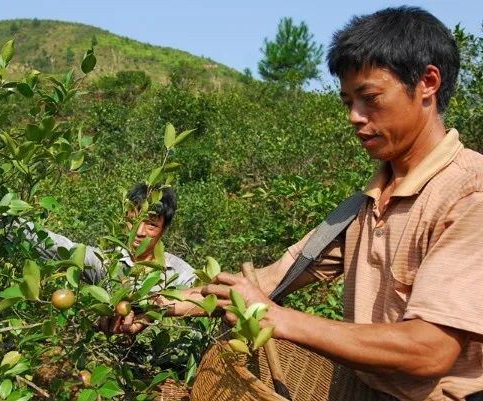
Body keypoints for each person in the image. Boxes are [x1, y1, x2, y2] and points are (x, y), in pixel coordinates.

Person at [152, 7, 483, 401]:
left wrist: (277, 319)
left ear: (428, 82)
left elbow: (429, 350)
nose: (354, 117)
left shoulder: (468, 194)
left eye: (370, 98)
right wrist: (156, 307)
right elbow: (270, 280)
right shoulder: (364, 206)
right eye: (348, 102)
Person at [0, 183, 195, 290]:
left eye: (150, 225)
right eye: (133, 221)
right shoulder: (107, 263)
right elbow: (53, 245)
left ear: (164, 229)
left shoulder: (182, 275)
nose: (138, 232)